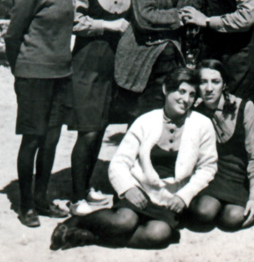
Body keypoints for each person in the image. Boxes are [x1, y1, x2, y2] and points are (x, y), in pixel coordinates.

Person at [50, 68, 217, 250]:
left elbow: (208, 167)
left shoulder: (202, 124)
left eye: (192, 95)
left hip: (170, 199)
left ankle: (88, 237)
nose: (186, 100)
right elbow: (119, 162)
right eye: (181, 91)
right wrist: (128, 188)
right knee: (124, 222)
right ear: (166, 90)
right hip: (139, 190)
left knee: (159, 234)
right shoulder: (145, 121)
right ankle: (76, 222)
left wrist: (184, 196)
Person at [5, 0, 76, 227]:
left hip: (61, 75)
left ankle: (43, 199)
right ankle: (26, 206)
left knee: (51, 141)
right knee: (33, 140)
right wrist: (21, 69)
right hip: (34, 76)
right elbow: (13, 36)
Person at [69, 0, 135, 216]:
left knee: (103, 125)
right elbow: (75, 22)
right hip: (89, 63)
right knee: (89, 131)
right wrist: (108, 25)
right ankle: (75, 197)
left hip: (116, 66)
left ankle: (86, 188)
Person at [189, 59, 254, 230]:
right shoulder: (195, 112)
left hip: (239, 177)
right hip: (212, 176)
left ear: (224, 84)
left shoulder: (245, 108)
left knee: (233, 219)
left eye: (215, 82)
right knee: (204, 212)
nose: (209, 89)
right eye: (203, 82)